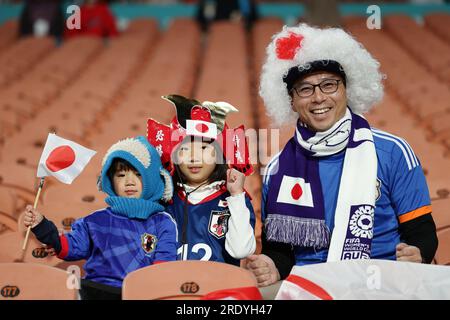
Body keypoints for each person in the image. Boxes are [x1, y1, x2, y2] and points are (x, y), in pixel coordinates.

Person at [246, 24, 438, 287]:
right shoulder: (277, 168)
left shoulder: (393, 152)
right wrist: (272, 265)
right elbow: (280, 252)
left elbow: (422, 232)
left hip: (383, 283)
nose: (318, 98)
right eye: (305, 89)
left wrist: (418, 253)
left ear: (346, 89)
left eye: (329, 85)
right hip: (309, 287)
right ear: (291, 100)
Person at [23, 136, 177, 299]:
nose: (129, 182)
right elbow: (68, 247)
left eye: (138, 174)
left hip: (140, 293)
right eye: (121, 175)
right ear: (110, 181)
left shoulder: (163, 222)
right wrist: (42, 226)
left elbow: (163, 267)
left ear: (152, 179)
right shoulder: (94, 221)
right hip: (96, 291)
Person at [147, 94, 256, 266]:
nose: (194, 157)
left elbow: (241, 250)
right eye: (185, 148)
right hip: (169, 287)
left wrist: (236, 196)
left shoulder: (235, 200)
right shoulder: (164, 199)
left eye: (204, 148)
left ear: (220, 154)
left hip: (218, 289)